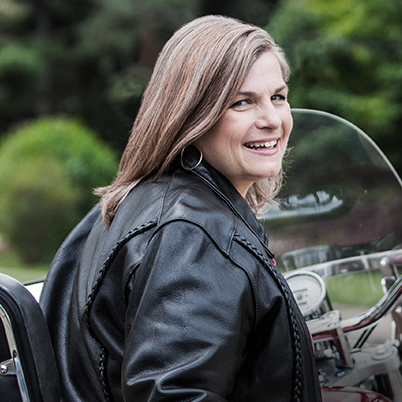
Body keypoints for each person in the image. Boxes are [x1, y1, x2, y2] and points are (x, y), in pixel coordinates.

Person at [41, 15, 322, 402]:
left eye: (278, 97)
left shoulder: (143, 198)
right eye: (243, 103)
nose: (272, 120)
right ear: (193, 114)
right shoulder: (194, 234)